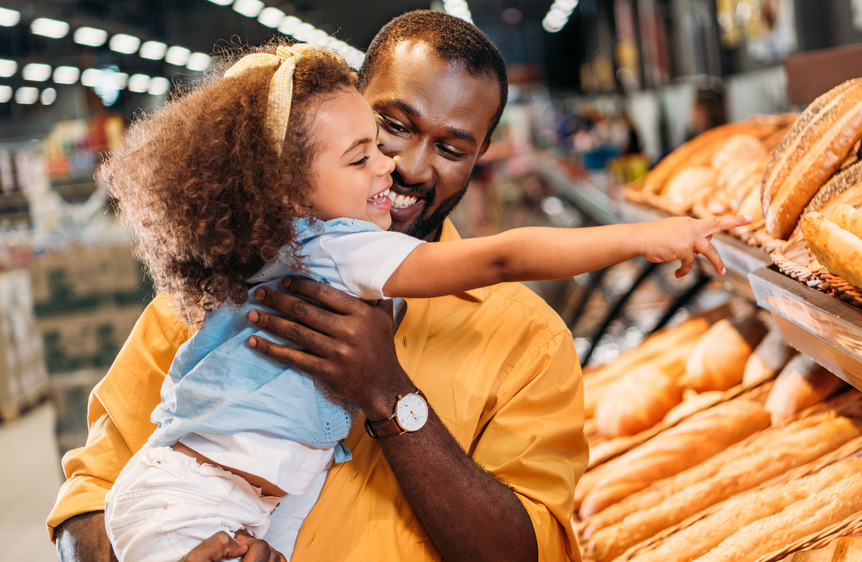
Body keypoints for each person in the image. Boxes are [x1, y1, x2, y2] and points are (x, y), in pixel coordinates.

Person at [47, 10, 744, 562]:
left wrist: (389, 392)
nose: (407, 167)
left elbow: (525, 552)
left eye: (450, 147)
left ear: (480, 159)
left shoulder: (528, 342)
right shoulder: (224, 286)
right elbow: (94, 491)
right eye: (391, 127)